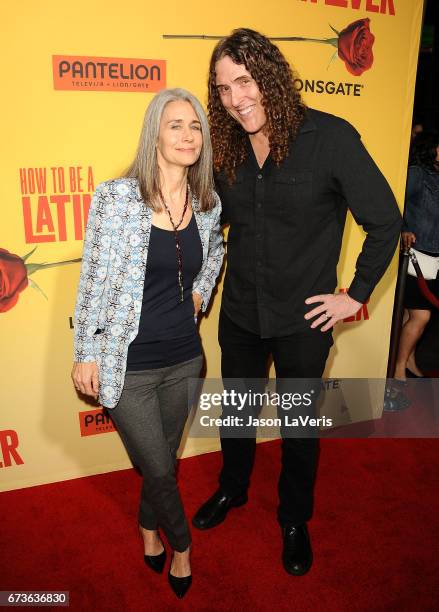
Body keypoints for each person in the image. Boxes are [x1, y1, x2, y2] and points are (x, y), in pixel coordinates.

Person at [192, 28, 402, 576]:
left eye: (245, 80)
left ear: (272, 77)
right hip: (238, 311)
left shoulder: (330, 138)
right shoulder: (228, 148)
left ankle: (293, 518)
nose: (237, 98)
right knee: (234, 415)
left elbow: (384, 222)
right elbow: (211, 227)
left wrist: (353, 296)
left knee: (298, 426)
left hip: (303, 320)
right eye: (223, 88)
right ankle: (232, 489)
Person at [71, 88, 224, 599]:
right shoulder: (116, 198)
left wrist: (201, 290)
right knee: (159, 467)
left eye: (195, 126)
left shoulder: (207, 202)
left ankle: (146, 526)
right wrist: (86, 353)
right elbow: (93, 279)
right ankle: (181, 546)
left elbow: (217, 248)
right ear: (154, 133)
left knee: (163, 463)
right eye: (175, 125)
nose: (187, 135)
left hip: (185, 359)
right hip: (128, 366)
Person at [395, 132, 439, 380]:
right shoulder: (418, 174)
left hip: (434, 261)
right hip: (413, 258)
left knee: (411, 317)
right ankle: (399, 368)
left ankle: (407, 359)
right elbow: (394, 202)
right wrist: (403, 230)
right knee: (422, 316)